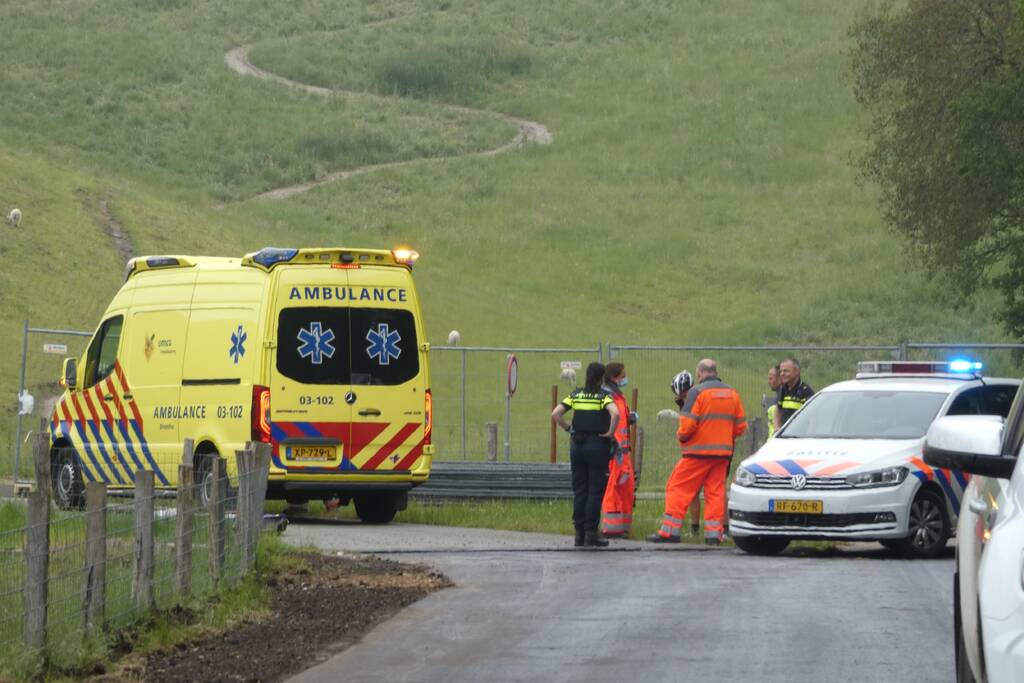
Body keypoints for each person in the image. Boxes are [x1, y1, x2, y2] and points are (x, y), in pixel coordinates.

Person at [648, 359, 746, 545]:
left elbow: (687, 425)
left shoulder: (696, 392)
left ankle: (670, 532)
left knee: (677, 488)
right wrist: (723, 437)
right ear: (715, 372)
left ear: (699, 373)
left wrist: (682, 437)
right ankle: (713, 536)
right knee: (715, 493)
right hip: (722, 454)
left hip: (696, 454)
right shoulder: (732, 393)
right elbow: (740, 427)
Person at [552, 362, 620, 548]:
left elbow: (556, 414)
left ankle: (579, 533)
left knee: (580, 490)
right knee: (595, 491)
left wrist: (570, 429)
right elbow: (615, 414)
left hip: (578, 446)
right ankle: (591, 532)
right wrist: (610, 433)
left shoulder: (576, 394)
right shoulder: (603, 396)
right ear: (601, 378)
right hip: (597, 446)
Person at [600, 362, 635, 537]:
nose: (625, 379)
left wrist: (630, 418)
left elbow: (621, 421)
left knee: (626, 488)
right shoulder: (608, 396)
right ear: (614, 377)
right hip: (615, 451)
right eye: (623, 376)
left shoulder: (619, 396)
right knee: (614, 486)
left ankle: (624, 526)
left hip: (624, 452)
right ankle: (611, 528)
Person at [671, 370, 701, 536]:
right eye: (680, 396)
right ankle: (695, 529)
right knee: (695, 492)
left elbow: (687, 429)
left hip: (699, 452)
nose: (683, 398)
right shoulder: (684, 403)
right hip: (693, 451)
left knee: (712, 491)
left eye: (684, 394)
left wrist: (680, 436)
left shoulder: (699, 398)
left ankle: (721, 529)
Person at [775, 357, 814, 433]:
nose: (782, 374)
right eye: (781, 371)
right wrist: (777, 427)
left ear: (797, 372)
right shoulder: (783, 389)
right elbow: (778, 409)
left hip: (800, 436)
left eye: (786, 371)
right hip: (785, 434)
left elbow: (812, 417)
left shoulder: (806, 391)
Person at [765, 364, 782, 438]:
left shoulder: (785, 400)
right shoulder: (778, 397)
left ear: (780, 379)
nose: (768, 382)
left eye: (770, 378)